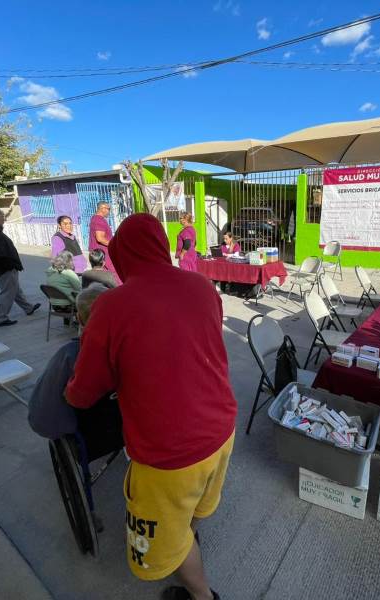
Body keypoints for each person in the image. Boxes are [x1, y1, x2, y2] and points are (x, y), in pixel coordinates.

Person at [66, 214, 236, 600]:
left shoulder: (111, 306)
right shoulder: (202, 286)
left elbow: (84, 391)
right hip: (222, 429)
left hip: (171, 453)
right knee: (190, 512)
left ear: (122, 255)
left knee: (164, 536)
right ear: (162, 245)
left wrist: (71, 392)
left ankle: (202, 595)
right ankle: (186, 538)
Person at [28, 284, 115, 440]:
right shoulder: (127, 350)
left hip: (86, 432)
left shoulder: (68, 355)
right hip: (115, 427)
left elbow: (42, 415)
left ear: (79, 318)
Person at [0, 208, 41, 327]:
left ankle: (28, 308)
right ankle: (0, 318)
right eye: (1, 216)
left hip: (4, 266)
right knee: (8, 292)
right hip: (4, 267)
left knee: (15, 289)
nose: (4, 219)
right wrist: (10, 263)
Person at [88, 202, 117, 276]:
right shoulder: (99, 220)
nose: (109, 211)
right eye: (108, 209)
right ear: (103, 208)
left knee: (102, 275)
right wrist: (115, 245)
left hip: (99, 254)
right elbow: (100, 238)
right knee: (114, 275)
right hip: (103, 254)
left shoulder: (94, 218)